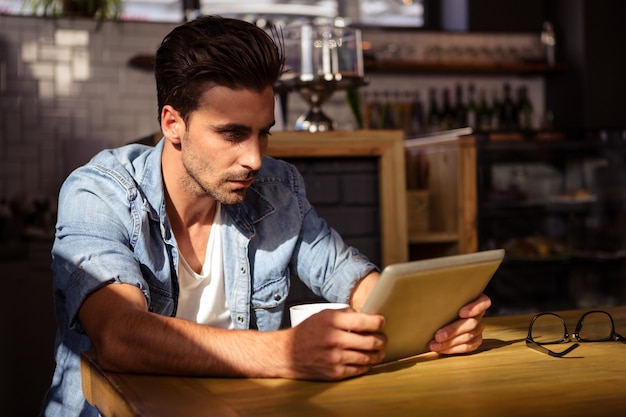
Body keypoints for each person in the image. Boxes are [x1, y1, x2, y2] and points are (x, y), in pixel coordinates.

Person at [40, 15, 491, 417]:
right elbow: (121, 337)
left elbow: (350, 279)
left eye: (263, 133)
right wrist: (287, 354)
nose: (254, 158)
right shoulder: (98, 192)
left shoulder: (277, 188)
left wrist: (435, 324)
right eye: (233, 134)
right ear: (172, 122)